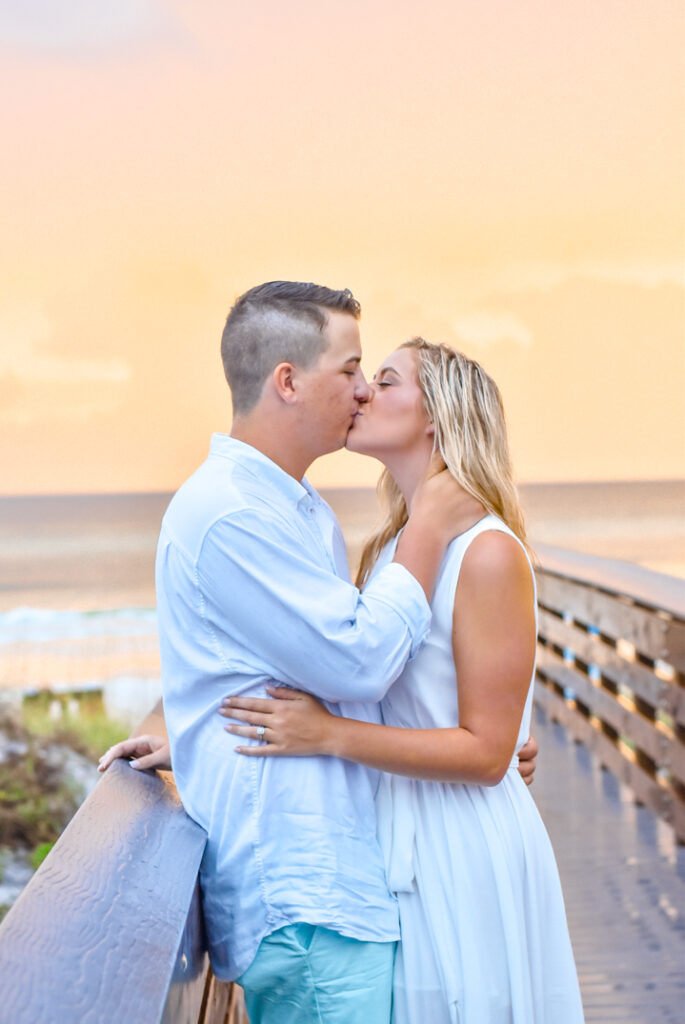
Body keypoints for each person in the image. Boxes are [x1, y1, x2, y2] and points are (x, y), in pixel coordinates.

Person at [99, 281, 506, 1024]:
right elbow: (355, 660)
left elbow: (298, 667)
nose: (359, 390)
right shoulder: (232, 515)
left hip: (340, 885)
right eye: (349, 369)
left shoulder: (296, 509)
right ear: (287, 381)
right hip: (305, 895)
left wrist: (476, 734)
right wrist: (424, 532)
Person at [213, 339, 585, 1022]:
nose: (360, 393)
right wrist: (196, 739)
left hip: (461, 845)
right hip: (391, 834)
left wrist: (327, 736)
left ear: (436, 417)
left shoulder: (487, 553)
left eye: (383, 382)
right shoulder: (392, 547)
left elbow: (485, 753)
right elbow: (347, 674)